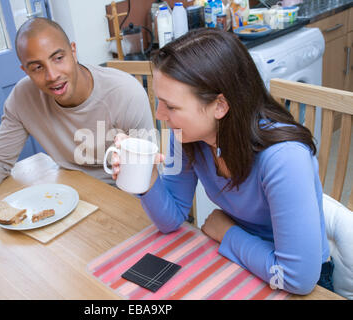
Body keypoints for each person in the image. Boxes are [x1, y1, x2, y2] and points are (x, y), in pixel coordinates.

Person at [111, 28, 331, 295]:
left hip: (300, 281)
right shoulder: (186, 136)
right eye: (159, 101)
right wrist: (146, 176)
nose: (160, 114)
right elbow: (170, 220)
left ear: (219, 106)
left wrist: (227, 233)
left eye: (171, 106)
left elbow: (298, 279)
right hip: (244, 263)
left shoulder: (285, 159)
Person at [0, 18, 154, 242]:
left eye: (58, 58)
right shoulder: (22, 97)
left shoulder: (125, 93)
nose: (52, 76)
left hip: (121, 199)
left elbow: (149, 174)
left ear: (73, 50)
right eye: (37, 67)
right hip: (69, 200)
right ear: (25, 70)